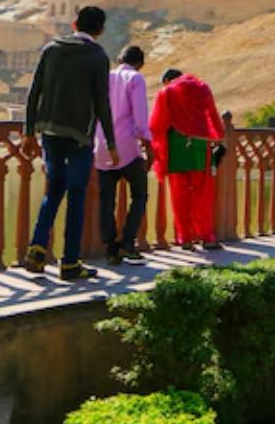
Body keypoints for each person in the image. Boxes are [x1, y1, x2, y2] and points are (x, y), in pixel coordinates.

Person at [21, 6, 118, 280]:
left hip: (50, 132)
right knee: (76, 195)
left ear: (74, 23)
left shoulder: (51, 49)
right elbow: (101, 102)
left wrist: (30, 131)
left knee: (54, 189)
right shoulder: (97, 56)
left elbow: (34, 91)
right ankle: (70, 262)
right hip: (79, 137)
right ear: (100, 30)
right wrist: (111, 143)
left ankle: (37, 247)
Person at [150, 69, 225, 251]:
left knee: (179, 193)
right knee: (202, 193)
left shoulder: (166, 92)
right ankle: (207, 237)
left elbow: (156, 124)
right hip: (200, 144)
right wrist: (218, 136)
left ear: (167, 80)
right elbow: (212, 116)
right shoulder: (202, 88)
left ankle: (185, 238)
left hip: (176, 145)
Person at [95, 45, 154, 265]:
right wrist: (148, 146)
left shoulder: (105, 77)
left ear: (119, 59)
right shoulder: (135, 79)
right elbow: (140, 118)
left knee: (106, 200)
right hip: (127, 147)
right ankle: (128, 243)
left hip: (102, 146)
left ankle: (111, 248)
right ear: (140, 63)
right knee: (139, 195)